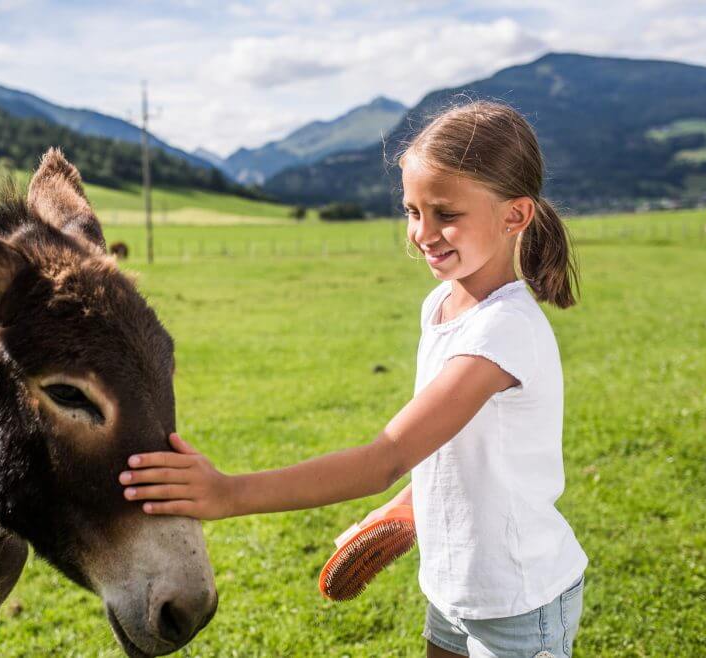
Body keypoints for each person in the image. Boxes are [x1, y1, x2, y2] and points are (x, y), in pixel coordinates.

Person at [120, 101, 588, 658]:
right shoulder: (442, 304)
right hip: (451, 589)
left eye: (446, 214)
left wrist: (228, 492)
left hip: (517, 602)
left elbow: (385, 457)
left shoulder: (504, 330)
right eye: (412, 211)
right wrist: (411, 504)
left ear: (515, 216)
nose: (423, 233)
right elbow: (459, 445)